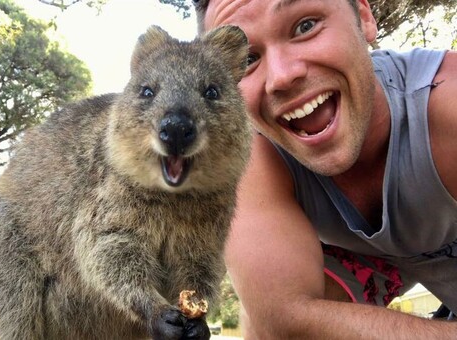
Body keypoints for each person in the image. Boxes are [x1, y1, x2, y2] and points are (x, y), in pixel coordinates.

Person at [192, 0, 457, 338]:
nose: (282, 77)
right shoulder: (249, 156)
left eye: (306, 26)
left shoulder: (447, 104)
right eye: (247, 59)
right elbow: (283, 319)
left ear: (363, 17)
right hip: (374, 263)